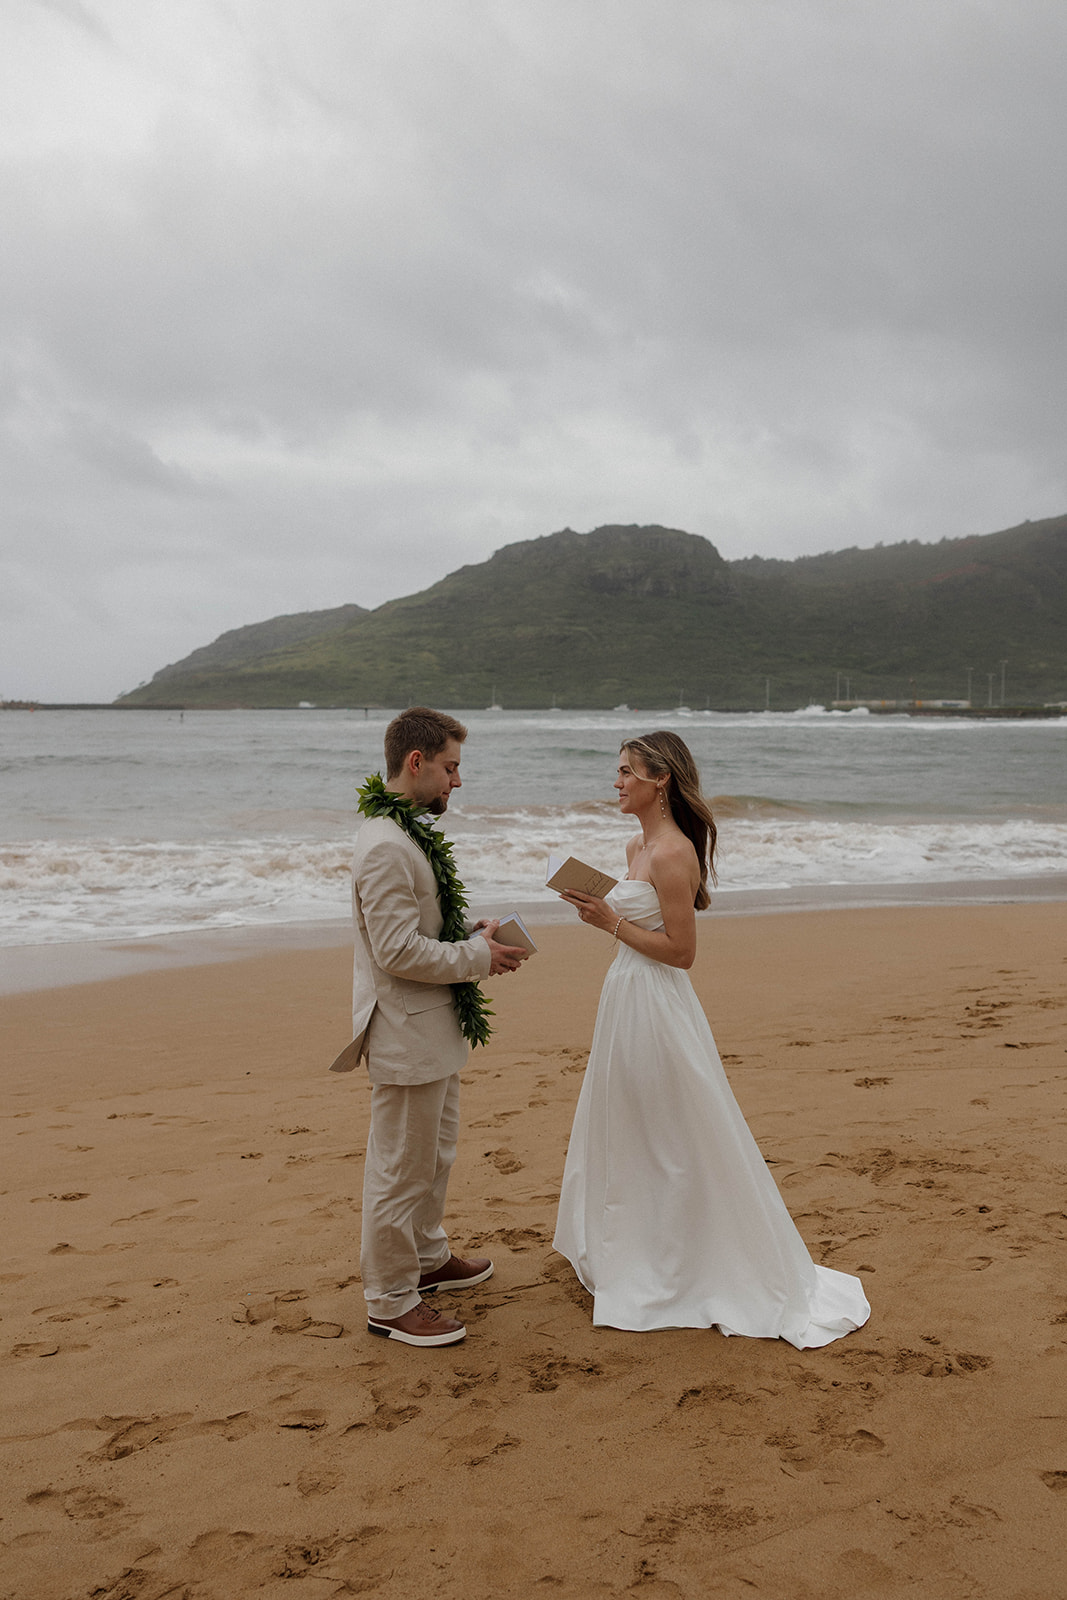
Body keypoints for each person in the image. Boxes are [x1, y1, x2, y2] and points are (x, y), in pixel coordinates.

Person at [552, 731, 870, 1347]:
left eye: (626, 772)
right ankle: (638, 1249)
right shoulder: (635, 844)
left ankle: (690, 1260)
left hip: (658, 1002)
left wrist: (610, 921)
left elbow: (682, 952)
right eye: (615, 772)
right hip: (624, 995)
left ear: (659, 779)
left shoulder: (673, 854)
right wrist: (605, 916)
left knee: (676, 1129)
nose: (616, 782)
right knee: (632, 1122)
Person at [332, 707, 529, 1347]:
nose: (458, 781)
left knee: (434, 1156)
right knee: (400, 1168)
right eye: (451, 767)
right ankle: (390, 1299)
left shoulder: (408, 833)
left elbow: (420, 930)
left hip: (434, 1027)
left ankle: (427, 1257)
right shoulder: (385, 844)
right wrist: (478, 959)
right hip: (405, 1031)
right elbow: (395, 950)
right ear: (415, 764)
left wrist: (470, 934)